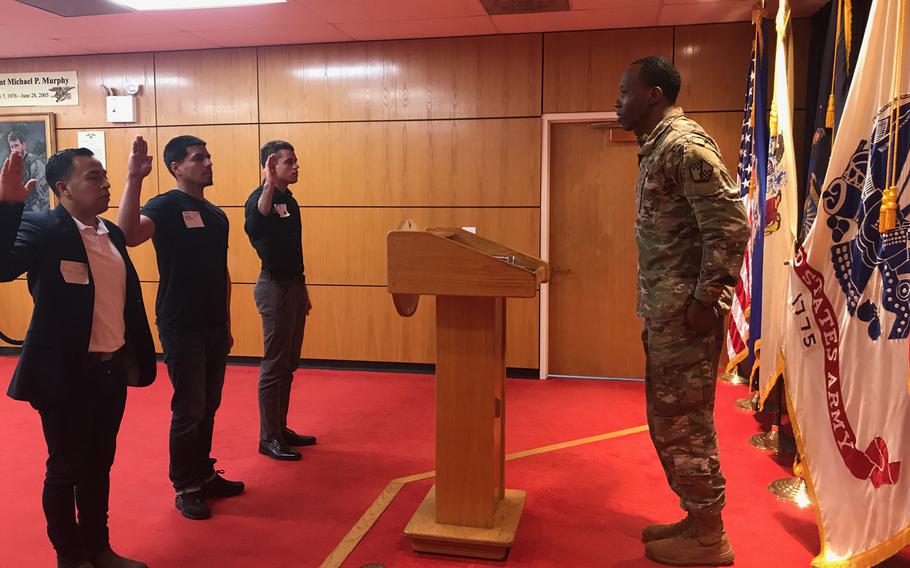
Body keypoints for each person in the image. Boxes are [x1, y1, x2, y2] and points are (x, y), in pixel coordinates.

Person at [615, 56, 748, 566]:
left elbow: (731, 225)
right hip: (667, 310)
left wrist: (706, 300)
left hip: (685, 314)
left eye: (625, 91)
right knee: (670, 419)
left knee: (685, 423)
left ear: (653, 94)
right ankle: (697, 518)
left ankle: (709, 536)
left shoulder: (684, 146)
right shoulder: (657, 149)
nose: (618, 101)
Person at [0, 140, 157, 568]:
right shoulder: (42, 227)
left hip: (109, 373)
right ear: (62, 188)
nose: (104, 184)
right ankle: (70, 557)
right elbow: (2, 266)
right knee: (66, 468)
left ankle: (98, 547)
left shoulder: (111, 235)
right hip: (62, 374)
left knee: (98, 466)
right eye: (93, 177)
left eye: (105, 176)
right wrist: (7, 207)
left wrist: (132, 180)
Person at [117, 135, 243, 521]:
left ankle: (203, 474)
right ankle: (185, 486)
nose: (207, 163)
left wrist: (226, 320)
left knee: (208, 404)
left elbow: (222, 274)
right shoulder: (167, 205)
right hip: (180, 324)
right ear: (177, 167)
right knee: (188, 408)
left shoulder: (217, 215)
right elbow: (127, 235)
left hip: (212, 325)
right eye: (198, 158)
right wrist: (134, 178)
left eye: (208, 156)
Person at [244, 140, 316, 461]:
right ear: (272, 166)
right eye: (289, 162)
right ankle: (268, 436)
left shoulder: (291, 201)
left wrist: (304, 290)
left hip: (294, 287)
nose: (297, 166)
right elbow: (256, 223)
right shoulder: (259, 199)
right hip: (273, 288)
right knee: (274, 365)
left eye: (296, 160)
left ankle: (280, 426)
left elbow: (295, 251)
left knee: (289, 363)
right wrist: (268, 185)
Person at [8, 129, 50, 212]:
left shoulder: (36, 163)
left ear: (23, 145)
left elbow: (44, 194)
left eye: (16, 145)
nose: (14, 150)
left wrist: (36, 213)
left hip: (35, 210)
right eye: (11, 147)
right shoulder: (11, 164)